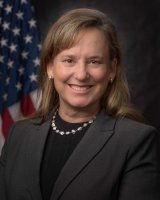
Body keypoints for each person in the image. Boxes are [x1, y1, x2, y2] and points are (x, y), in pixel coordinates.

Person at [0, 8, 159, 200]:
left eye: (94, 61)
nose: (82, 74)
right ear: (50, 67)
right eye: (69, 60)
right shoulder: (18, 134)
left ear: (112, 69)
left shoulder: (136, 141)